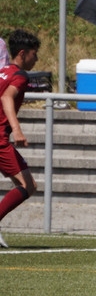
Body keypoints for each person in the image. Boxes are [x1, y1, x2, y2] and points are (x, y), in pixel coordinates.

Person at [0, 29, 41, 248]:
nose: (37, 59)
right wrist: (16, 130)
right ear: (23, 54)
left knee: (22, 184)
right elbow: (7, 97)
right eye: (34, 54)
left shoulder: (3, 71)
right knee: (28, 185)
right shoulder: (19, 75)